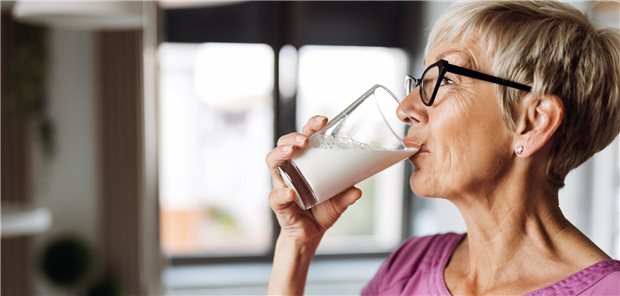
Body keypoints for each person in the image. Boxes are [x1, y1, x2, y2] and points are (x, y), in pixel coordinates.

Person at [265, 1, 620, 295]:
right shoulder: (409, 266)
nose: (404, 108)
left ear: (533, 122)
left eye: (446, 79)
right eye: (421, 81)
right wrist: (296, 245)